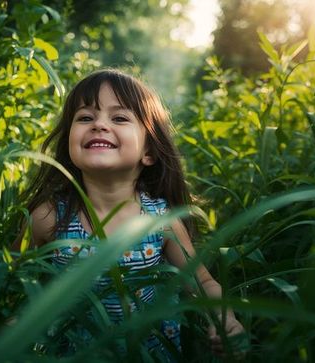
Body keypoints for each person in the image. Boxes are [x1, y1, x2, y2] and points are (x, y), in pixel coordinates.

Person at [14, 69, 244, 359]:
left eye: (119, 118)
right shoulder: (48, 217)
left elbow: (203, 282)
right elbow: (11, 285)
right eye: (85, 117)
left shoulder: (160, 221)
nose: (99, 125)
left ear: (148, 151)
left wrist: (225, 318)